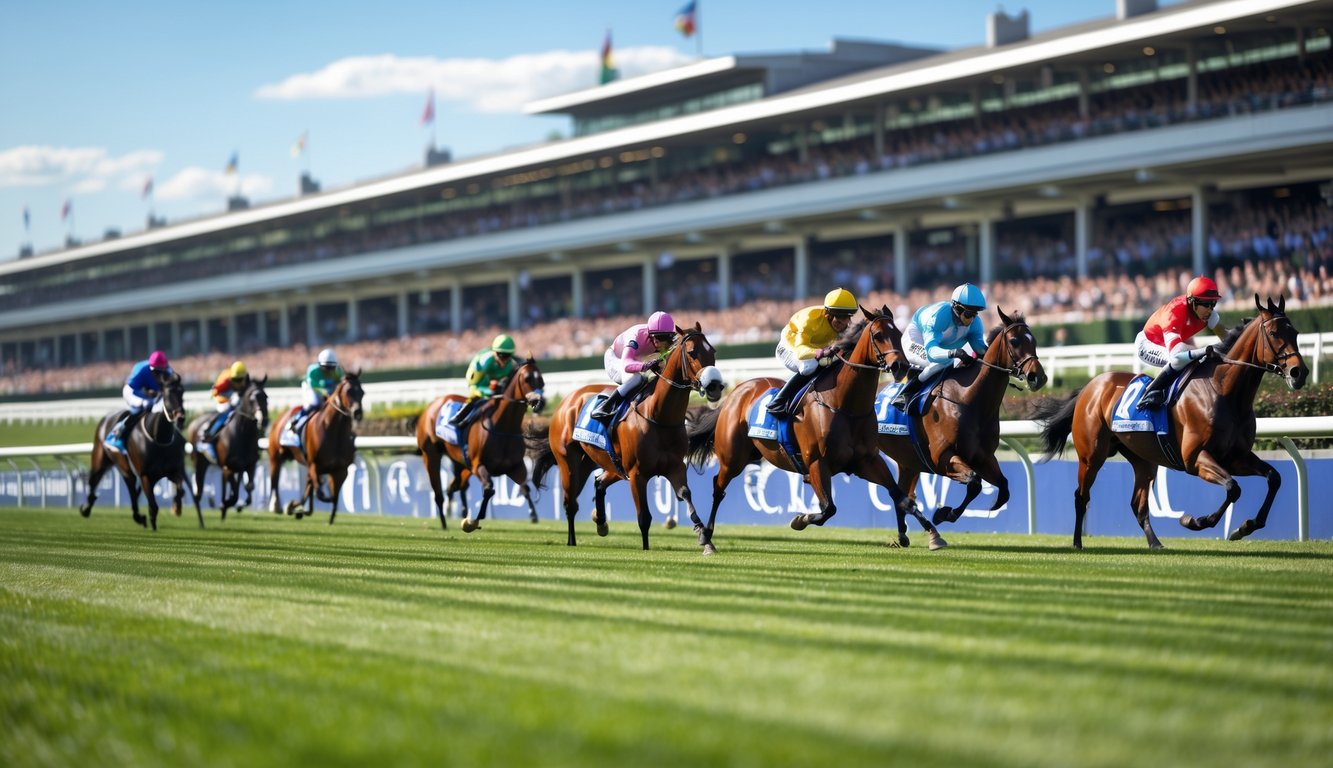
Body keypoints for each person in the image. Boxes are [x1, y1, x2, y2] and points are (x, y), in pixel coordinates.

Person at [892, 283, 989, 409]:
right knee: (943, 363)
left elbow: (980, 348)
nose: (972, 319)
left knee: (949, 362)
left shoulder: (975, 323)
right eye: (968, 314)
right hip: (917, 338)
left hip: (939, 346)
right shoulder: (938, 317)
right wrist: (954, 353)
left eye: (975, 314)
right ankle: (906, 393)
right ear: (957, 309)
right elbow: (932, 353)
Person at [1135, 275, 1223, 409]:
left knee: (1195, 359)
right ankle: (1151, 393)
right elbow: (1176, 353)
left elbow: (1227, 339)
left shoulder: (1209, 315)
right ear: (1192, 302)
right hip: (1148, 344)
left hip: (1172, 342)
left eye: (1213, 303)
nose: (1210, 310)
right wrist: (1204, 350)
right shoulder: (1174, 312)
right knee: (1178, 360)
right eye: (1206, 304)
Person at [767, 288, 858, 415]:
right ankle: (778, 402)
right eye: (838, 321)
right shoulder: (808, 320)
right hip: (790, 348)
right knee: (809, 366)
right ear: (829, 314)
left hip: (815, 350)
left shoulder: (844, 324)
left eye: (846, 320)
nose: (842, 325)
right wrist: (821, 352)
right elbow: (800, 352)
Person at [591, 310, 676, 421]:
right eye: (655, 337)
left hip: (635, 360)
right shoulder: (635, 336)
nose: (657, 342)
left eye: (663, 338)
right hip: (616, 359)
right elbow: (626, 365)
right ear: (650, 333)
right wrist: (646, 366)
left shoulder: (665, 338)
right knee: (636, 379)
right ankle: (606, 406)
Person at [104, 350, 173, 453]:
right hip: (134, 392)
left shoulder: (168, 372)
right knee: (142, 407)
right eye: (156, 371)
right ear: (151, 367)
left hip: (152, 396)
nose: (159, 374)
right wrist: (146, 393)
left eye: (161, 371)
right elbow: (132, 387)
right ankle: (116, 435)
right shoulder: (141, 369)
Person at [449, 334, 518, 428]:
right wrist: (490, 388)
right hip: (477, 382)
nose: (504, 359)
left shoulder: (511, 364)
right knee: (477, 397)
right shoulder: (486, 360)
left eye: (508, 356)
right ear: (494, 352)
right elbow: (476, 384)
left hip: (493, 384)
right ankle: (459, 417)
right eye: (501, 355)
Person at [197, 361, 250, 462]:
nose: (239, 382)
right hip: (222, 400)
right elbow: (214, 392)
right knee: (225, 413)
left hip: (235, 399)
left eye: (241, 379)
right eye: (236, 380)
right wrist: (229, 398)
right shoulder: (226, 380)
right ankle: (208, 435)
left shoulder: (244, 377)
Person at [290, 348, 343, 433]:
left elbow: (340, 384)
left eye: (331, 368)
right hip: (311, 388)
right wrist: (326, 393)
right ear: (320, 365)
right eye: (326, 368)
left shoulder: (338, 371)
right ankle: (296, 421)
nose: (329, 371)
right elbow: (314, 387)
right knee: (314, 403)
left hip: (328, 390)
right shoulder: (313, 371)